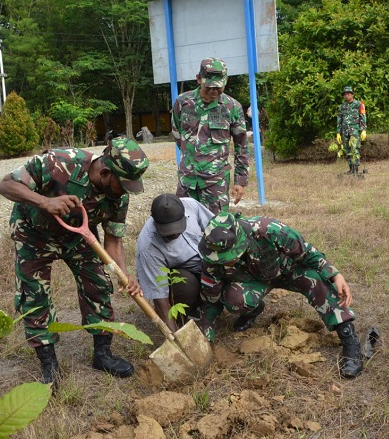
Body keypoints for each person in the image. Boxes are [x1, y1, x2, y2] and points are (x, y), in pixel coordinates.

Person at [0, 137, 149, 389]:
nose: (124, 191)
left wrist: (124, 273)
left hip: (79, 236)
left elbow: (113, 242)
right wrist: (45, 201)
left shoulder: (119, 196)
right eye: (122, 185)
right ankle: (49, 364)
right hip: (34, 232)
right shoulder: (58, 162)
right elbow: (5, 185)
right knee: (34, 295)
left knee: (99, 285)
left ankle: (102, 355)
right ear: (105, 172)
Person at [197, 212, 363, 378]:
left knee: (317, 281)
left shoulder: (269, 230)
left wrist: (335, 275)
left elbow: (308, 253)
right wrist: (206, 335)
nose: (223, 261)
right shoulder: (212, 258)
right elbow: (210, 298)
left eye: (227, 257)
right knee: (234, 299)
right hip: (254, 281)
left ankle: (348, 338)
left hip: (289, 271)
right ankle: (252, 311)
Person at [171, 57, 249, 214]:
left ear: (226, 81)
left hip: (216, 183)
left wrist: (240, 181)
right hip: (187, 181)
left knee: (216, 230)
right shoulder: (183, 103)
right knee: (184, 228)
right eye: (209, 87)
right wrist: (192, 157)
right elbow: (177, 134)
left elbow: (242, 146)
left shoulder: (232, 107)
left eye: (218, 87)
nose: (214, 91)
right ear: (199, 79)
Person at [135, 193, 214, 332]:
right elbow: (160, 297)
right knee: (185, 283)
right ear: (154, 221)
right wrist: (175, 337)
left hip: (205, 264)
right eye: (167, 231)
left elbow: (216, 228)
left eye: (177, 228)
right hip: (184, 275)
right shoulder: (148, 247)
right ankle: (184, 315)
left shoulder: (190, 205)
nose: (174, 234)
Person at [336, 86, 367, 176]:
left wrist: (363, 130)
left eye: (348, 94)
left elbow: (363, 117)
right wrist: (338, 133)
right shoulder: (342, 107)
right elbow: (339, 120)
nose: (347, 96)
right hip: (345, 132)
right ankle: (351, 169)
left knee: (354, 149)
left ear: (352, 94)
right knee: (347, 150)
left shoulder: (359, 104)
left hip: (355, 132)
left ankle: (356, 170)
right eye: (345, 94)